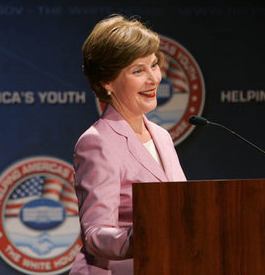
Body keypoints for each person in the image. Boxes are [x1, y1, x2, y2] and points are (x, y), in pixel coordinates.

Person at [70, 15, 187, 275]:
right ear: (107, 82)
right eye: (138, 71)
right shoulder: (97, 143)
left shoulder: (161, 136)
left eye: (154, 65)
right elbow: (94, 233)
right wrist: (144, 238)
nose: (154, 79)